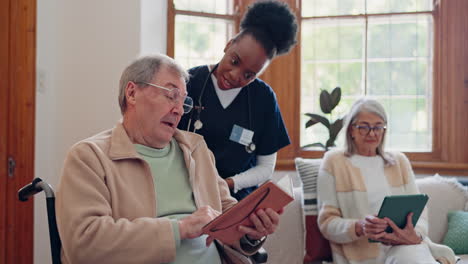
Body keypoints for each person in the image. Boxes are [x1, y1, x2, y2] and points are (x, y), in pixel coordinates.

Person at [56, 54, 281, 264]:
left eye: (184, 101)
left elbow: (225, 215)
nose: (179, 110)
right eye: (171, 95)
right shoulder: (89, 157)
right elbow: (84, 243)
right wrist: (180, 228)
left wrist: (251, 231)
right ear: (132, 93)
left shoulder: (196, 149)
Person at [178, 0, 298, 200]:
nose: (235, 75)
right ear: (228, 44)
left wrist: (228, 184)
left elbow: (266, 167)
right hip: (187, 194)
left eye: (249, 75)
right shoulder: (189, 82)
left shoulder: (264, 99)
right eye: (235, 61)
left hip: (237, 200)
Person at [317, 98, 457, 264]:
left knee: (412, 255)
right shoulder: (334, 161)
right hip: (363, 256)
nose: (372, 133)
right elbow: (327, 223)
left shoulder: (399, 161)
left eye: (378, 127)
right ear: (351, 130)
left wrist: (415, 234)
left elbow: (420, 211)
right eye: (363, 127)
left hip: (405, 245)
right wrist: (360, 227)